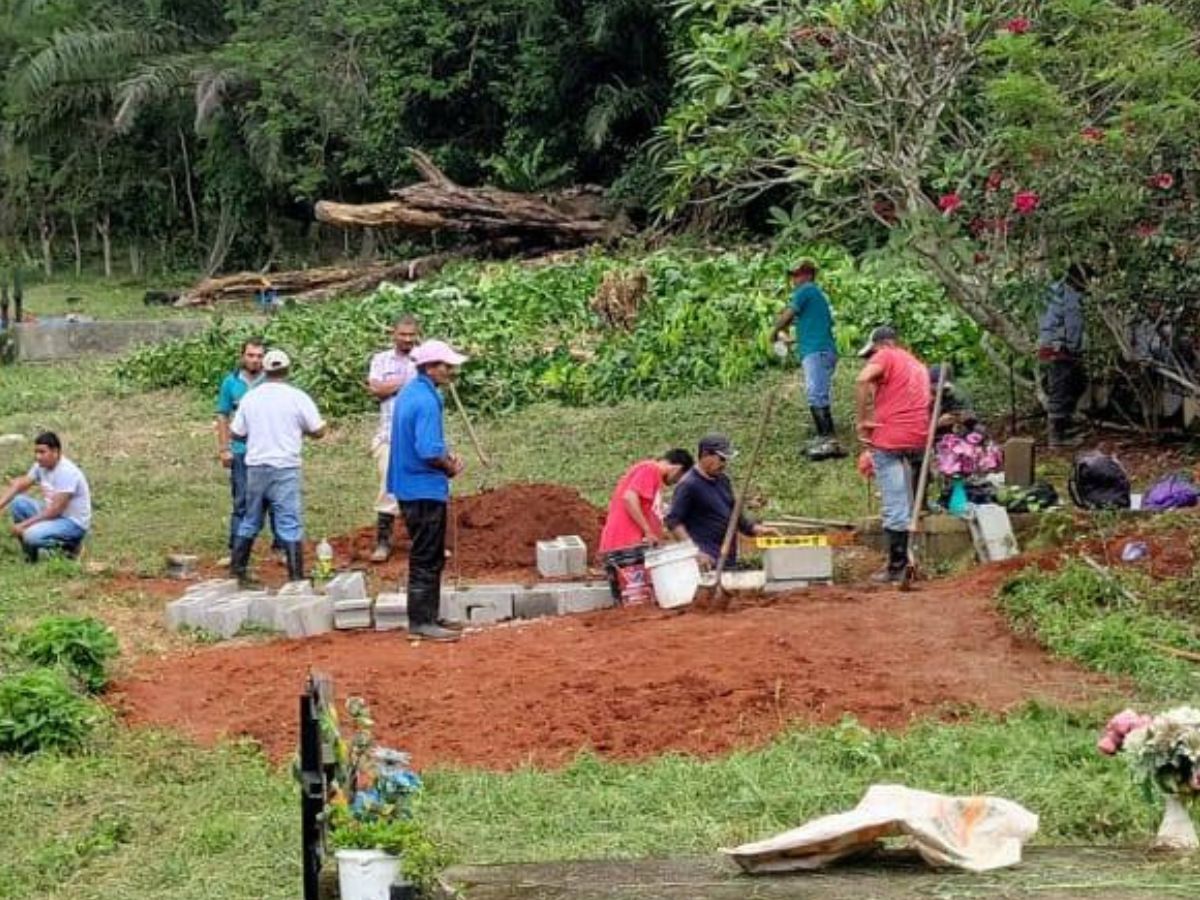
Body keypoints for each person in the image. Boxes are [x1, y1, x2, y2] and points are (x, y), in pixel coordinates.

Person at [388, 339, 469, 643]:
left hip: (409, 485)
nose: (449, 371)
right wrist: (450, 466)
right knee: (427, 554)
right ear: (430, 368)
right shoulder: (426, 400)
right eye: (445, 366)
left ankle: (427, 615)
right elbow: (428, 450)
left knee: (429, 553)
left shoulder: (411, 393)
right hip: (423, 487)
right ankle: (421, 620)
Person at [229, 350, 327, 584]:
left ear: (264, 369)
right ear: (288, 370)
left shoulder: (251, 398)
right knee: (289, 521)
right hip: (285, 467)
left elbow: (236, 433)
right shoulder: (297, 397)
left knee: (251, 519)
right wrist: (301, 431)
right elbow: (318, 430)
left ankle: (238, 571)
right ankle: (295, 577)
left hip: (256, 467)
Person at [855, 327, 932, 584]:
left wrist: (863, 419)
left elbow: (863, 378)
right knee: (908, 501)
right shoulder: (917, 365)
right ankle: (908, 560)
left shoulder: (886, 356)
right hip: (919, 437)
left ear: (880, 345)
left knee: (895, 503)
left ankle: (896, 566)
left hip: (890, 438)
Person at [770, 258, 846, 461]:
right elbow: (816, 326)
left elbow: (787, 315)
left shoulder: (807, 290)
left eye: (798, 274)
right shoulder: (816, 297)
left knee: (816, 394)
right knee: (816, 393)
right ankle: (824, 438)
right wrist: (792, 339)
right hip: (819, 350)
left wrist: (775, 331)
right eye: (793, 275)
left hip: (817, 351)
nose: (794, 279)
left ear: (808, 274)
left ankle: (829, 440)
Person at [664, 433, 775, 569]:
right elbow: (673, 521)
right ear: (705, 455)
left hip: (727, 559)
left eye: (726, 460)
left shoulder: (723, 480)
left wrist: (755, 529)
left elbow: (735, 515)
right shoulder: (688, 485)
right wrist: (694, 552)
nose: (724, 464)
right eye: (721, 459)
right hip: (707, 561)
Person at [216, 337, 281, 558]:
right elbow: (223, 415)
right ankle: (236, 550)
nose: (255, 360)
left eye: (259, 356)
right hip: (242, 451)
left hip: (270, 451)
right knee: (242, 500)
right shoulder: (231, 383)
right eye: (250, 355)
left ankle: (281, 547)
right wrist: (224, 448)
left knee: (276, 500)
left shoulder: (273, 383)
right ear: (242, 356)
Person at [366, 314, 421, 562]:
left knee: (418, 489)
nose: (407, 339)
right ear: (394, 334)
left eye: (411, 335)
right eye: (403, 334)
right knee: (388, 488)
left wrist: (391, 385)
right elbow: (376, 390)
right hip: (389, 435)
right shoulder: (380, 359)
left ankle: (421, 541)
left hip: (418, 436)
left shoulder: (424, 359)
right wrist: (407, 381)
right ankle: (383, 542)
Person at [0, 432, 91, 562]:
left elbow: (55, 510)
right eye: (36, 452)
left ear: (55, 451)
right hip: (53, 515)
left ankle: (71, 548)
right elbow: (20, 484)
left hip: (71, 523)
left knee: (30, 535)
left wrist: (23, 525)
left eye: (42, 452)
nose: (38, 457)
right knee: (18, 502)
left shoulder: (67, 472)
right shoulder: (41, 466)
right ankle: (30, 559)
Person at [598, 449, 694, 554]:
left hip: (634, 546)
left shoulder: (656, 479)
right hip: (624, 543)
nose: (675, 482)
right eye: (678, 478)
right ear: (677, 469)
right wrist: (648, 531)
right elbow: (629, 498)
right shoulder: (650, 469)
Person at [1038, 266, 1088, 447]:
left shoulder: (1061, 291)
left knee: (1078, 383)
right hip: (1060, 347)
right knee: (1061, 389)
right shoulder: (1064, 295)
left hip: (1059, 345)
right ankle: (1057, 437)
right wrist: (1070, 348)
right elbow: (1067, 325)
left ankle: (1065, 424)